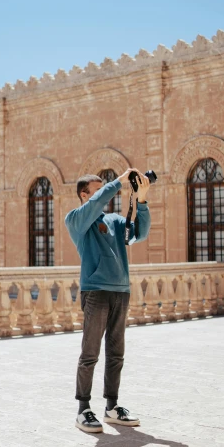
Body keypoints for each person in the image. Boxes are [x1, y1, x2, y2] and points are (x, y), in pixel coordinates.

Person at [65, 168, 151, 433]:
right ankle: (83, 409)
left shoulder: (114, 221)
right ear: (84, 194)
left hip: (120, 291)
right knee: (90, 353)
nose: (106, 193)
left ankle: (112, 407)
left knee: (116, 353)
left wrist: (142, 200)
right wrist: (117, 182)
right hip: (96, 291)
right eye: (98, 188)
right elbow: (96, 204)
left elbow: (140, 233)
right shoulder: (77, 220)